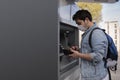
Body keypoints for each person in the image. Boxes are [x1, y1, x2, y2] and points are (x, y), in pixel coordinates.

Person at [69, 10, 109, 80]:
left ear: (86, 20)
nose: (78, 26)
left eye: (79, 23)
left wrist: (78, 55)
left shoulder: (96, 33)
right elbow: (89, 50)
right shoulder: (89, 33)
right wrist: (79, 49)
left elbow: (98, 56)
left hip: (97, 77)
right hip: (91, 75)